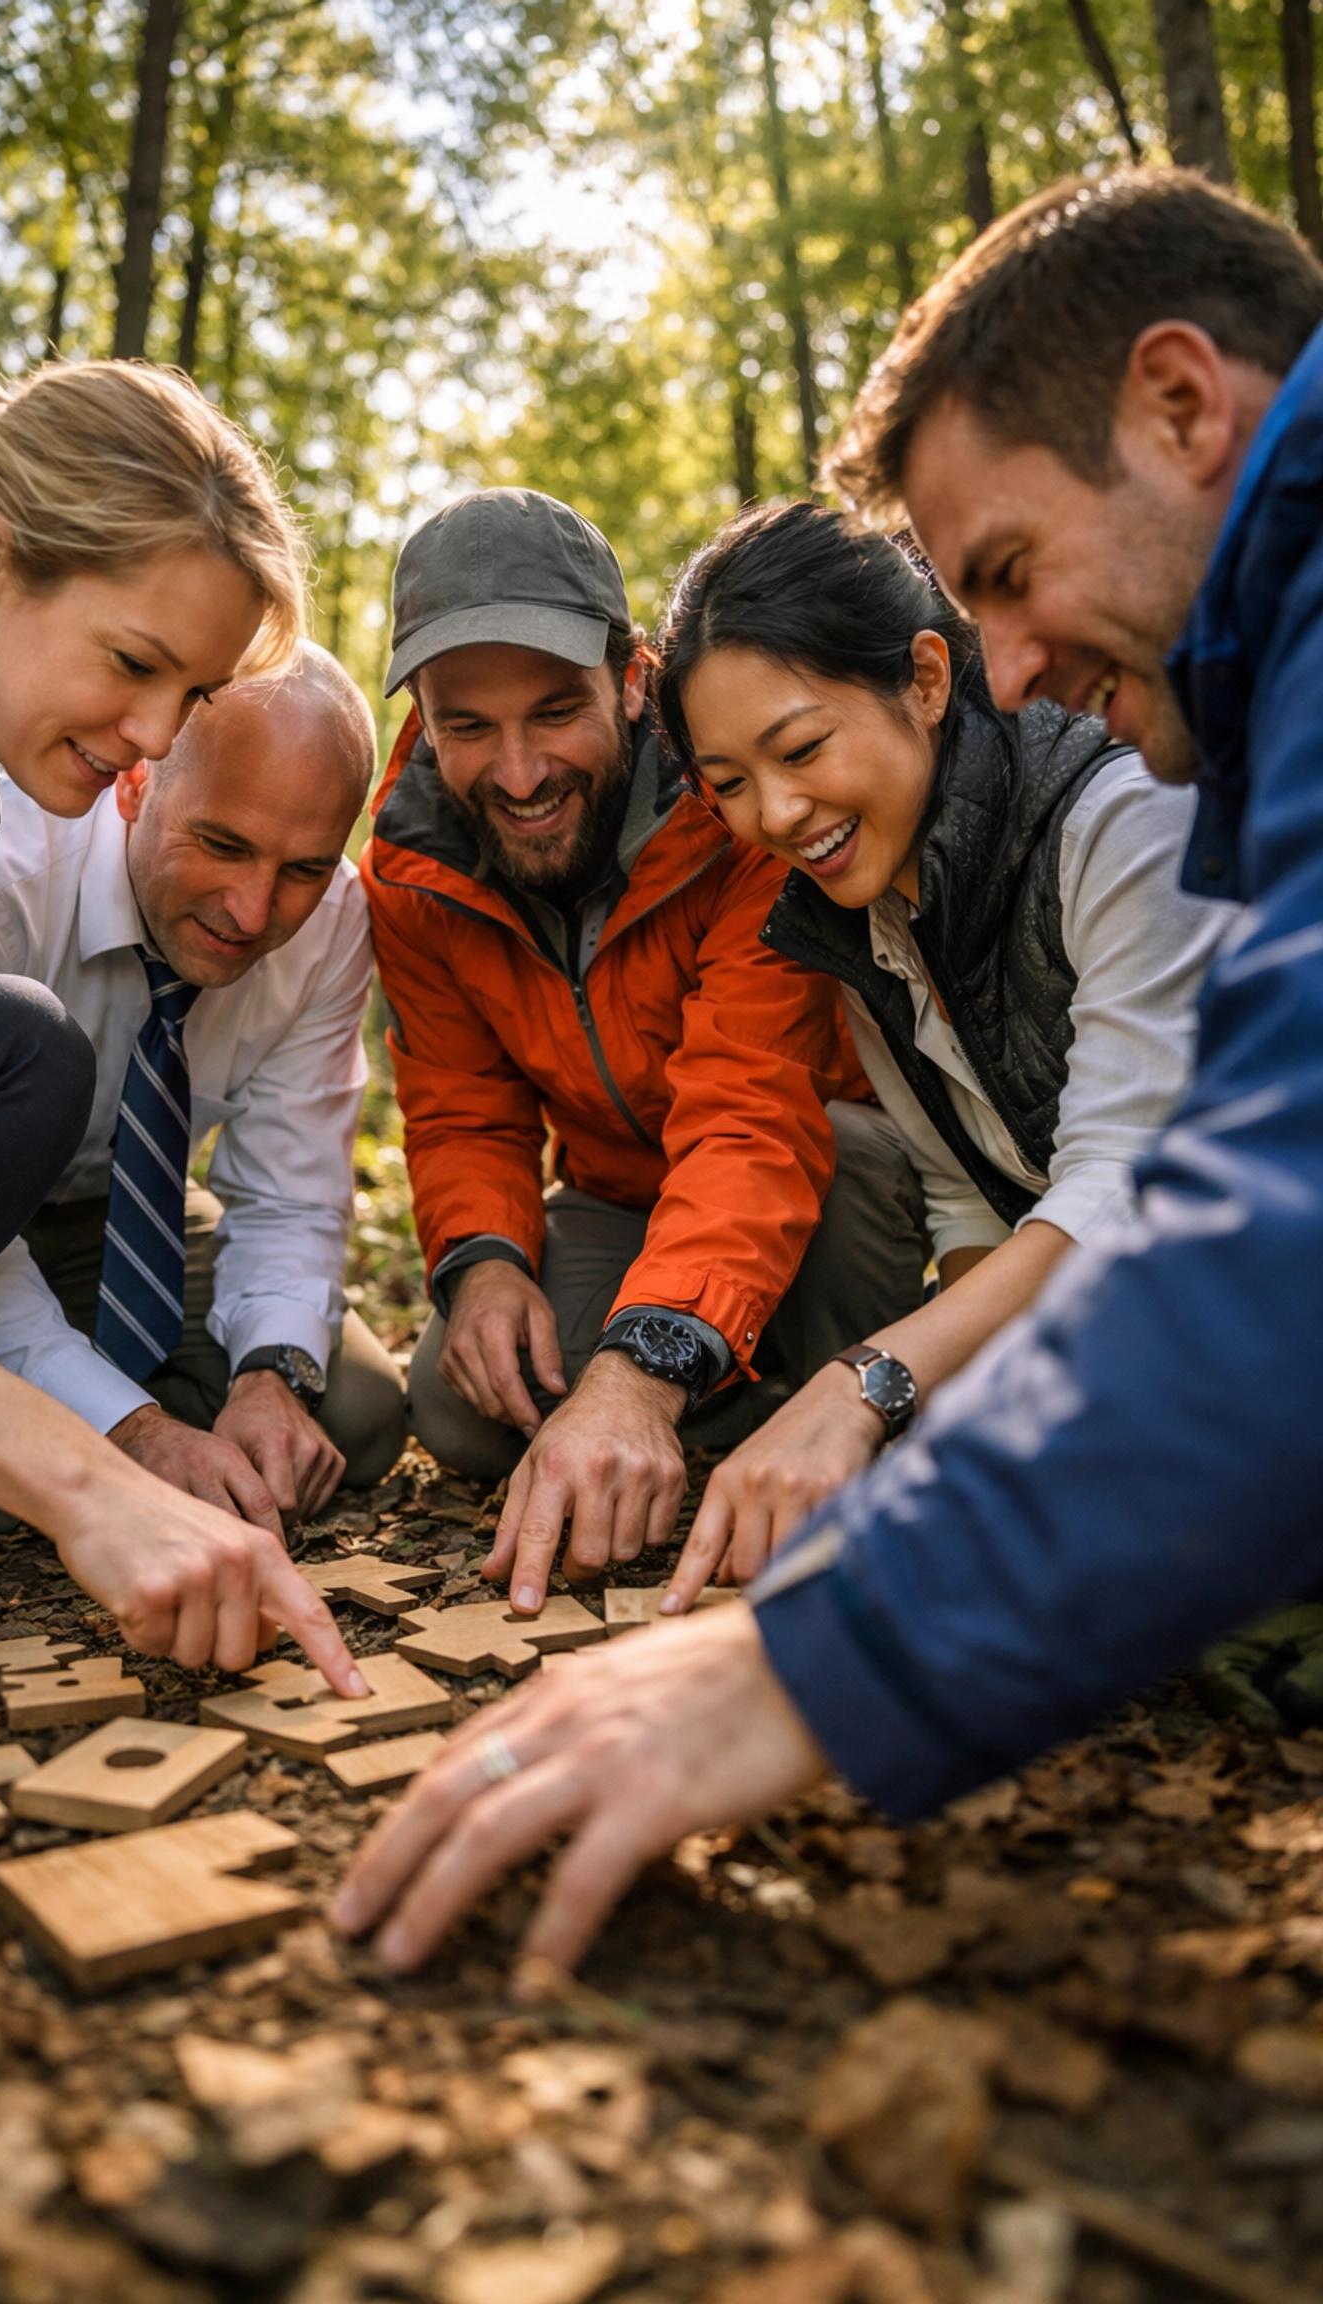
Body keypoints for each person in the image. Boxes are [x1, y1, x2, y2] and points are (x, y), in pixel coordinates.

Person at [333, 166, 1323, 1978]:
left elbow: (1206, 1207)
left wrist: (821, 1495)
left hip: (815, 1244)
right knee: (479, 1410)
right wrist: (477, 1258)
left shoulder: (1113, 803)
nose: (1023, 661)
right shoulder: (842, 894)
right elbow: (466, 1106)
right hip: (675, 1217)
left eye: (1007, 571)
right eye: (732, 782)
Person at [0, 355, 364, 1696]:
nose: (154, 735)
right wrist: (96, 1483)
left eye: (190, 693)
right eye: (133, 663)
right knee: (20, 1044)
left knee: (4, 1051)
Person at [655, 504, 1233, 1609]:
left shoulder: (1123, 819)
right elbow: (965, 1199)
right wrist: (980, 1417)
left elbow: (1126, 1182)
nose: (777, 813)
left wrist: (867, 1384)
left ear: (925, 679)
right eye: (727, 783)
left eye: (802, 749)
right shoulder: (860, 914)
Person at [364, 486, 930, 1611]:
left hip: (809, 1173)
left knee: (847, 1153)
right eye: (467, 727)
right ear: (423, 716)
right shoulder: (412, 864)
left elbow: (750, 1110)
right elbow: (463, 1104)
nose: (518, 773)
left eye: (554, 712)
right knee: (457, 1402)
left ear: (629, 677)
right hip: (622, 1198)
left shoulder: (739, 807)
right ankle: (742, 1403)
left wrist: (641, 1374)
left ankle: (830, 1403)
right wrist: (483, 1262)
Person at [0, 644, 405, 1543]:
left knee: (351, 1411)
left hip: (125, 1215)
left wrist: (271, 1379)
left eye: (305, 869)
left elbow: (289, 1190)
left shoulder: (333, 922)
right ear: (133, 784)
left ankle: (87, 1413)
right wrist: (133, 1431)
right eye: (223, 845)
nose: (253, 911)